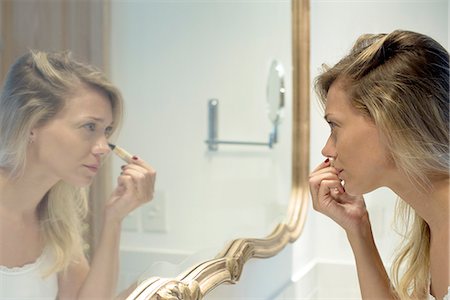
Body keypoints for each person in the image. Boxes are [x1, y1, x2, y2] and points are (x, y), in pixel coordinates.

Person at [0, 50, 156, 299]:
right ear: (32, 125)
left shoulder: (56, 221)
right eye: (89, 127)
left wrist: (114, 219)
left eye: (106, 130)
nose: (103, 147)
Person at [309, 30, 449, 299]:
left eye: (334, 126)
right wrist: (358, 229)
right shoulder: (436, 224)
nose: (327, 150)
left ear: (390, 121)